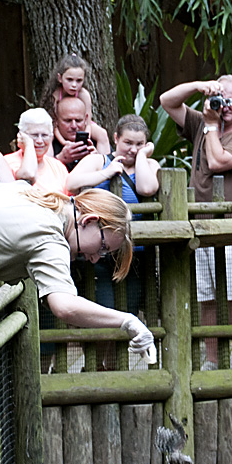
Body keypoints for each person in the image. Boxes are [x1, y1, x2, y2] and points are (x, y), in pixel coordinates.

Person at [0, 182, 156, 366]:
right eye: (102, 247)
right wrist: (128, 321)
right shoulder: (48, 235)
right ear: (88, 220)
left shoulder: (26, 191)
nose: (95, 258)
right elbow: (65, 307)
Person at [160, 75, 232, 367]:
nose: (224, 106)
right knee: (207, 298)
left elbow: (218, 162)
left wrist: (210, 125)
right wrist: (197, 86)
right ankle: (213, 360)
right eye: (220, 99)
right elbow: (166, 101)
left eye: (229, 101)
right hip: (200, 224)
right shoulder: (203, 122)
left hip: (231, 227)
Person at [67, 114, 160, 365]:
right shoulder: (99, 159)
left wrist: (142, 158)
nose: (132, 148)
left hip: (136, 256)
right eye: (128, 142)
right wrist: (107, 172)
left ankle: (117, 366)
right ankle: (97, 366)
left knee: (129, 307)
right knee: (104, 308)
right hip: (99, 252)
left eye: (140, 144)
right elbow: (72, 182)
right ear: (116, 138)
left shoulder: (149, 165)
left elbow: (148, 188)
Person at [40, 53, 110, 153]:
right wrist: (64, 142)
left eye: (79, 81)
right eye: (69, 80)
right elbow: (54, 124)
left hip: (82, 124)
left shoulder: (84, 94)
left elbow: (88, 122)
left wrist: (85, 139)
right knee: (48, 137)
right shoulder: (55, 96)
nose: (74, 85)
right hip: (58, 126)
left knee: (102, 133)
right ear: (60, 78)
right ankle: (50, 165)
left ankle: (106, 162)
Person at [4, 108, 69, 192]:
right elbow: (28, 175)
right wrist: (28, 145)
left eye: (44, 135)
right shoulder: (8, 162)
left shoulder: (58, 166)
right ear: (21, 136)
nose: (39, 141)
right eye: (34, 135)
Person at [51, 97, 99, 172]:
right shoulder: (49, 143)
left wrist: (97, 161)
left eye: (78, 120)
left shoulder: (96, 142)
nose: (74, 126)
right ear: (56, 120)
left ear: (86, 119)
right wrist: (60, 159)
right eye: (68, 121)